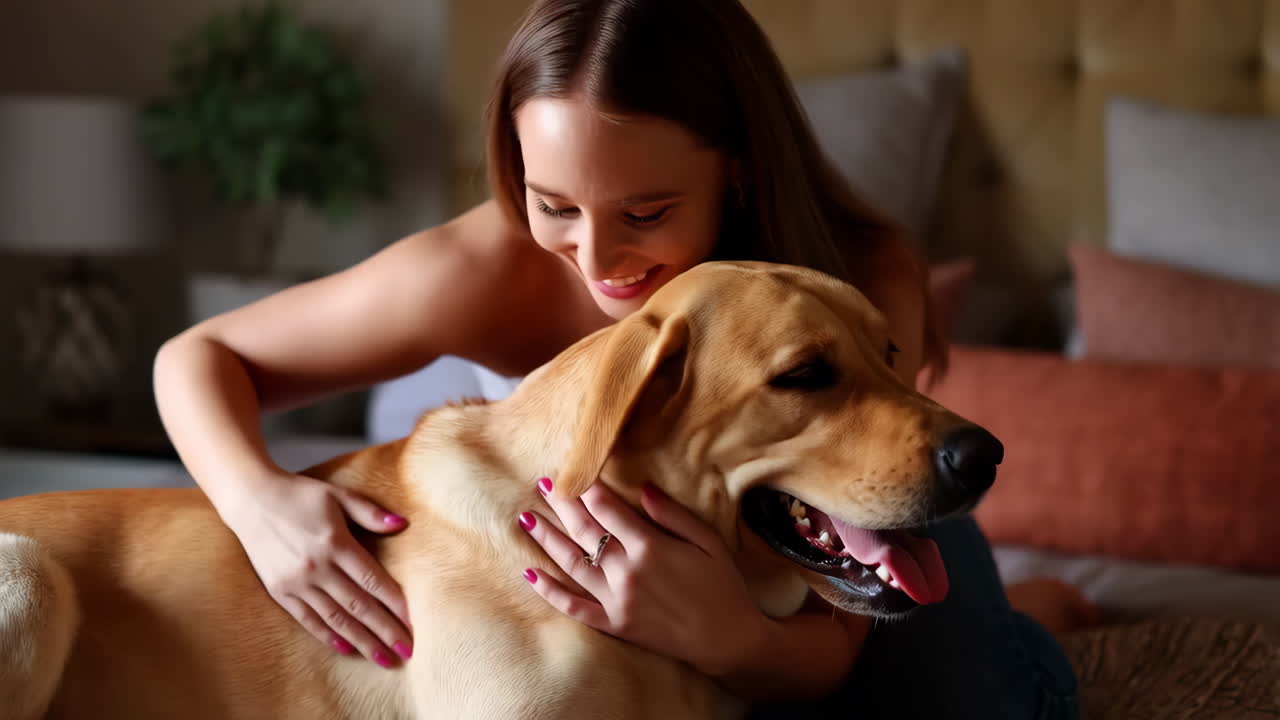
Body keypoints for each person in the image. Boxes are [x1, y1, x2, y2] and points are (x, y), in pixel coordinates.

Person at [154, 0, 1093, 716]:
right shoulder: (482, 269)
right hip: (646, 567)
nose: (598, 263)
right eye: (554, 203)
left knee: (970, 700)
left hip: (853, 529)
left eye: (646, 213)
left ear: (737, 169)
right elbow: (201, 354)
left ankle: (1037, 618)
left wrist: (725, 635)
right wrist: (254, 500)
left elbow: (831, 640)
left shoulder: (854, 271)